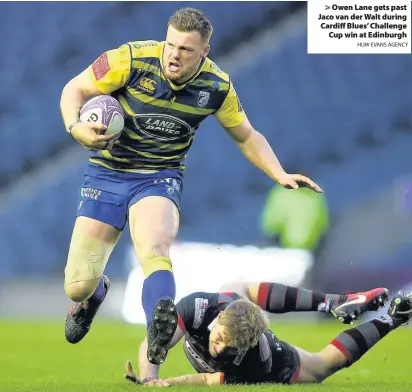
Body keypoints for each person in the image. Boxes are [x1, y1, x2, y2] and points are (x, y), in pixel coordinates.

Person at [59, 7, 323, 364]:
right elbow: (75, 88)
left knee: (155, 248)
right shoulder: (131, 59)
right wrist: (75, 127)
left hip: (159, 176)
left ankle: (158, 327)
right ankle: (93, 295)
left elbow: (246, 136)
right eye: (170, 45)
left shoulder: (216, 86)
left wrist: (279, 174)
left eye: (185, 49)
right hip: (108, 172)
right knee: (77, 284)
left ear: (204, 52)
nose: (174, 54)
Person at [123, 281, 401, 386]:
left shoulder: (252, 359)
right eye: (219, 339)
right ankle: (334, 301)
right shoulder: (200, 305)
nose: (218, 350)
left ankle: (393, 318)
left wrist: (168, 383)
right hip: (232, 306)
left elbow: (208, 379)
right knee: (235, 287)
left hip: (278, 361)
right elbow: (156, 339)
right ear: (219, 316)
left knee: (321, 367)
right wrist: (150, 376)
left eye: (227, 348)